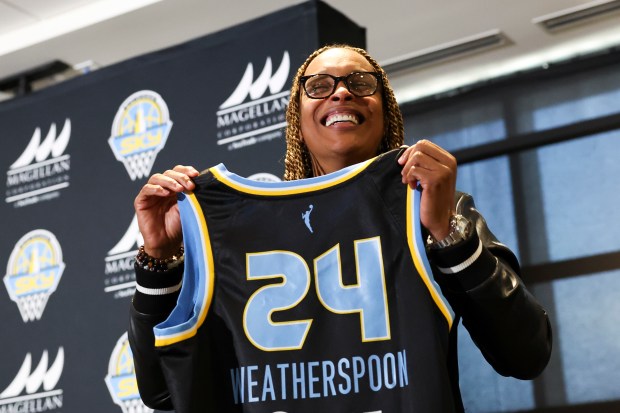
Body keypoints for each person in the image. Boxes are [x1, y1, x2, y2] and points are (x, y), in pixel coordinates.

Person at [129, 44, 552, 412]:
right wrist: (161, 261)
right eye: (320, 86)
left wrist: (447, 234)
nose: (342, 91)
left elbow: (526, 354)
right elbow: (162, 393)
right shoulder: (232, 226)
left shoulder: (429, 207)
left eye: (361, 82)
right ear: (298, 120)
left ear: (386, 113)